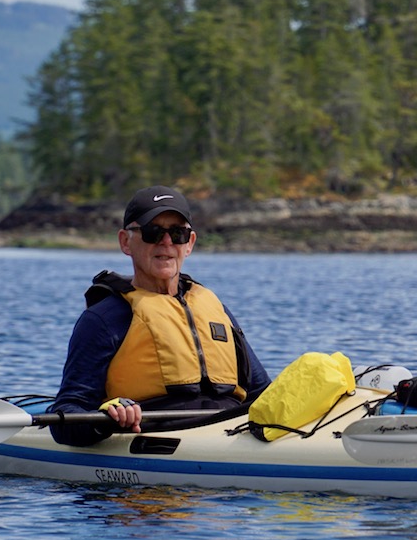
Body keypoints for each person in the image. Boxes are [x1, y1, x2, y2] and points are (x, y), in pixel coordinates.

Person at [48, 185, 270, 445]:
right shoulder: (104, 319)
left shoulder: (215, 308)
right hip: (160, 436)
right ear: (125, 241)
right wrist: (107, 417)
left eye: (177, 233)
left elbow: (263, 394)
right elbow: (67, 415)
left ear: (189, 244)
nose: (166, 242)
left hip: (232, 429)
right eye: (152, 232)